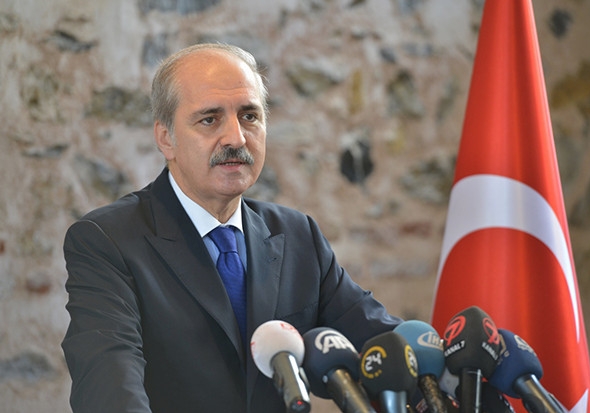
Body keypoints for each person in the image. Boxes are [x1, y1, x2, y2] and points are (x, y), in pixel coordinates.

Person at [61, 43, 402, 413]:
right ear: (166, 138)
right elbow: (109, 386)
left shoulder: (298, 235)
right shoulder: (108, 241)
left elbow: (382, 343)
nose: (236, 138)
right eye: (209, 120)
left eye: (249, 116)